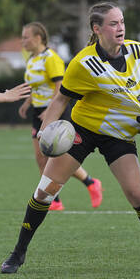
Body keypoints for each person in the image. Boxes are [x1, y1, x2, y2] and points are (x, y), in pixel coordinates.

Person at [1, 2, 140, 274]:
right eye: (113, 24)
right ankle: (17, 254)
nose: (120, 28)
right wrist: (47, 131)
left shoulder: (138, 50)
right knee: (45, 190)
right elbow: (60, 100)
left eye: (122, 22)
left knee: (137, 193)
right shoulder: (83, 63)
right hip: (82, 130)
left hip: (119, 134)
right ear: (97, 29)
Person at [18, 22, 103, 210]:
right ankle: (58, 198)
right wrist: (26, 103)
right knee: (41, 158)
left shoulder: (51, 58)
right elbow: (36, 86)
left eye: (26, 37)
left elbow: (60, 87)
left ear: (38, 38)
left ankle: (85, 185)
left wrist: (50, 112)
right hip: (37, 112)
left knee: (59, 158)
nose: (23, 41)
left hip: (54, 112)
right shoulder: (31, 59)